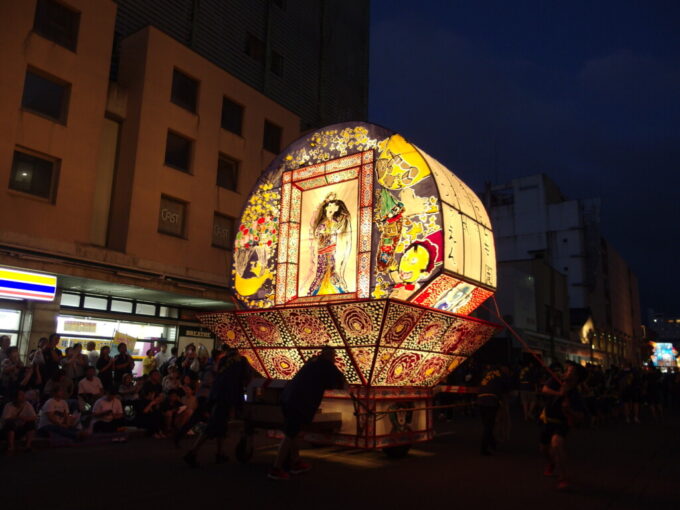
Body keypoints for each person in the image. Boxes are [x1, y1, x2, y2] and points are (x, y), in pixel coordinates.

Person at [269, 346, 346, 480]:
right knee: (290, 434)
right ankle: (276, 468)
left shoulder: (312, 362)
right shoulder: (327, 365)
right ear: (331, 355)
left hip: (287, 398)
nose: (334, 358)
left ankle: (296, 462)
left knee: (293, 433)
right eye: (334, 356)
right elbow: (342, 383)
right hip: (299, 402)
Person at [183, 348, 252, 467]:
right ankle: (192, 452)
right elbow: (247, 378)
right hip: (228, 396)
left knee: (221, 424)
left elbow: (218, 373)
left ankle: (220, 453)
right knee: (213, 425)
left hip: (216, 394)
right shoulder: (242, 361)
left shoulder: (223, 360)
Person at [539, 362, 585, 490]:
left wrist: (569, 410)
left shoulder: (575, 394)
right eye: (567, 370)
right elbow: (544, 390)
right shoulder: (555, 380)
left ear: (576, 378)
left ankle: (563, 477)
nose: (566, 372)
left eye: (570, 371)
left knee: (557, 443)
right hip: (548, 421)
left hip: (561, 423)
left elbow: (580, 416)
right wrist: (558, 394)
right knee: (543, 449)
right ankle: (551, 462)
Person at [305, 194, 352, 296]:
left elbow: (339, 235)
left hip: (331, 251)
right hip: (323, 252)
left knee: (330, 270)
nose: (330, 213)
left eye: (333, 210)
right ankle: (314, 293)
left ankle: (336, 289)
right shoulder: (323, 224)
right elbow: (318, 235)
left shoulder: (336, 223)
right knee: (322, 272)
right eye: (329, 210)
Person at [476, 365, 511, 455]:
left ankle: (493, 444)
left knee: (486, 424)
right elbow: (506, 388)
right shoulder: (501, 375)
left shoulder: (486, 373)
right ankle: (484, 449)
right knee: (489, 425)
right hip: (491, 400)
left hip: (480, 399)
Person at [1, 389, 37, 454]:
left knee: (31, 423)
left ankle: (28, 446)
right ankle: (11, 447)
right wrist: (18, 419)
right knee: (10, 424)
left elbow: (34, 417)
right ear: (15, 397)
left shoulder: (27, 404)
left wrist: (25, 419)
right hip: (8, 431)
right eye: (21, 395)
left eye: (24, 394)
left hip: (20, 429)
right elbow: (6, 419)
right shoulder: (9, 406)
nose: (23, 396)